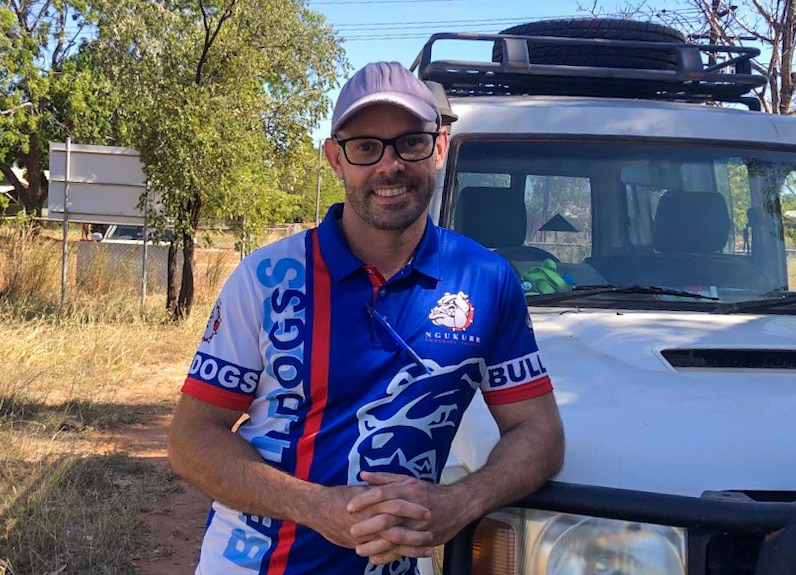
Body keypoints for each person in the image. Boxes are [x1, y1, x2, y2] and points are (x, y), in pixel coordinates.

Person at [167, 61, 565, 575]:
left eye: (410, 143)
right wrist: (317, 508)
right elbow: (191, 439)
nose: (389, 165)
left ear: (439, 148)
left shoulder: (486, 280)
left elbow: (540, 431)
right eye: (365, 147)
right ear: (336, 158)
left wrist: (460, 503)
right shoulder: (266, 278)